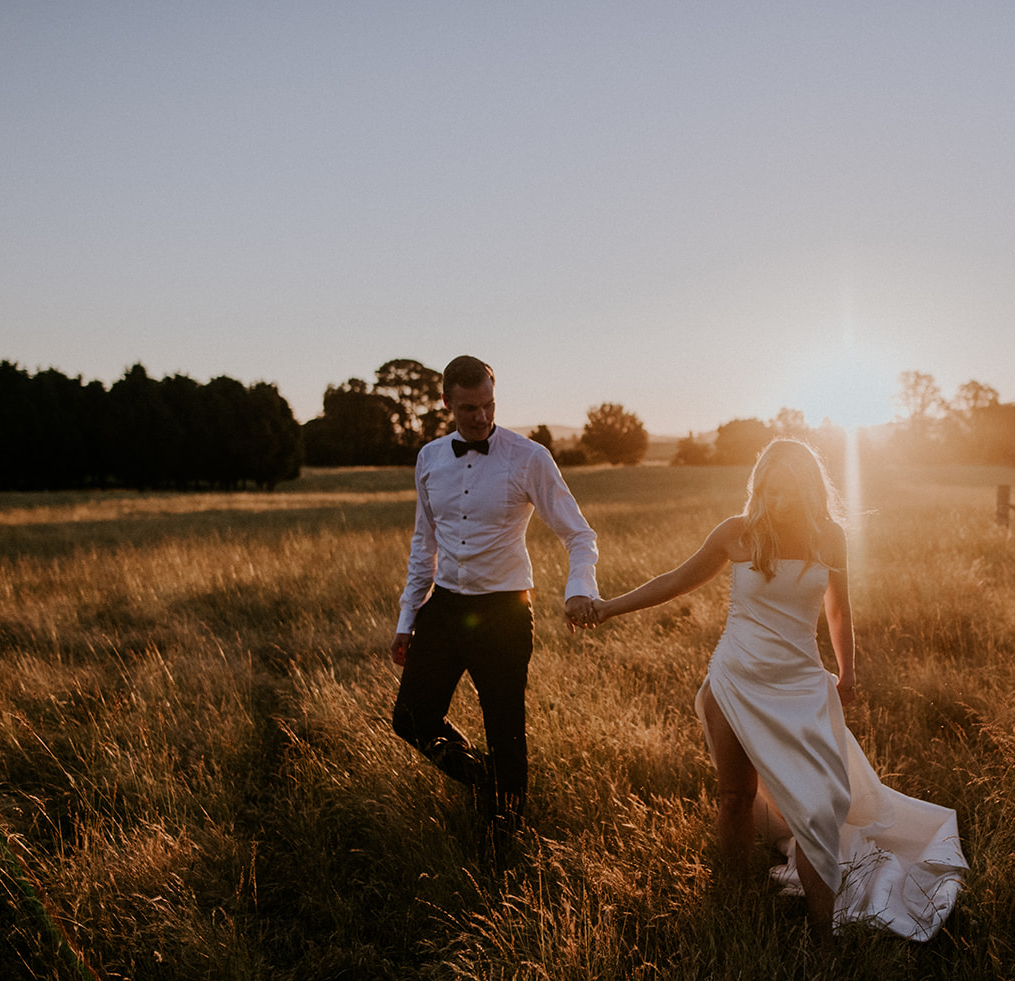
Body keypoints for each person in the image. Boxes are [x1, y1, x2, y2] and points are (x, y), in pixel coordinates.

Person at [591, 439, 967, 939]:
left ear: (809, 488)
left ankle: (823, 941)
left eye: (790, 490)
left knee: (818, 810)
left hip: (801, 686)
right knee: (734, 795)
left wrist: (848, 671)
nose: (779, 500)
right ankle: (732, 900)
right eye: (770, 489)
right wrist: (606, 607)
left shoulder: (828, 537)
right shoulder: (737, 534)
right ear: (759, 486)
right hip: (734, 681)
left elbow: (839, 610)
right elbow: (675, 580)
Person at [390, 355, 599, 836]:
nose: (481, 417)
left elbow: (579, 536)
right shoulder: (429, 459)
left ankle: (504, 838)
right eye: (468, 409)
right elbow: (425, 545)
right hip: (443, 608)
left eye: (488, 405)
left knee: (504, 730)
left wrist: (578, 590)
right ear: (447, 402)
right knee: (411, 719)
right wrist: (407, 619)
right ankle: (484, 780)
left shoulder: (529, 458)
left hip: (504, 609)